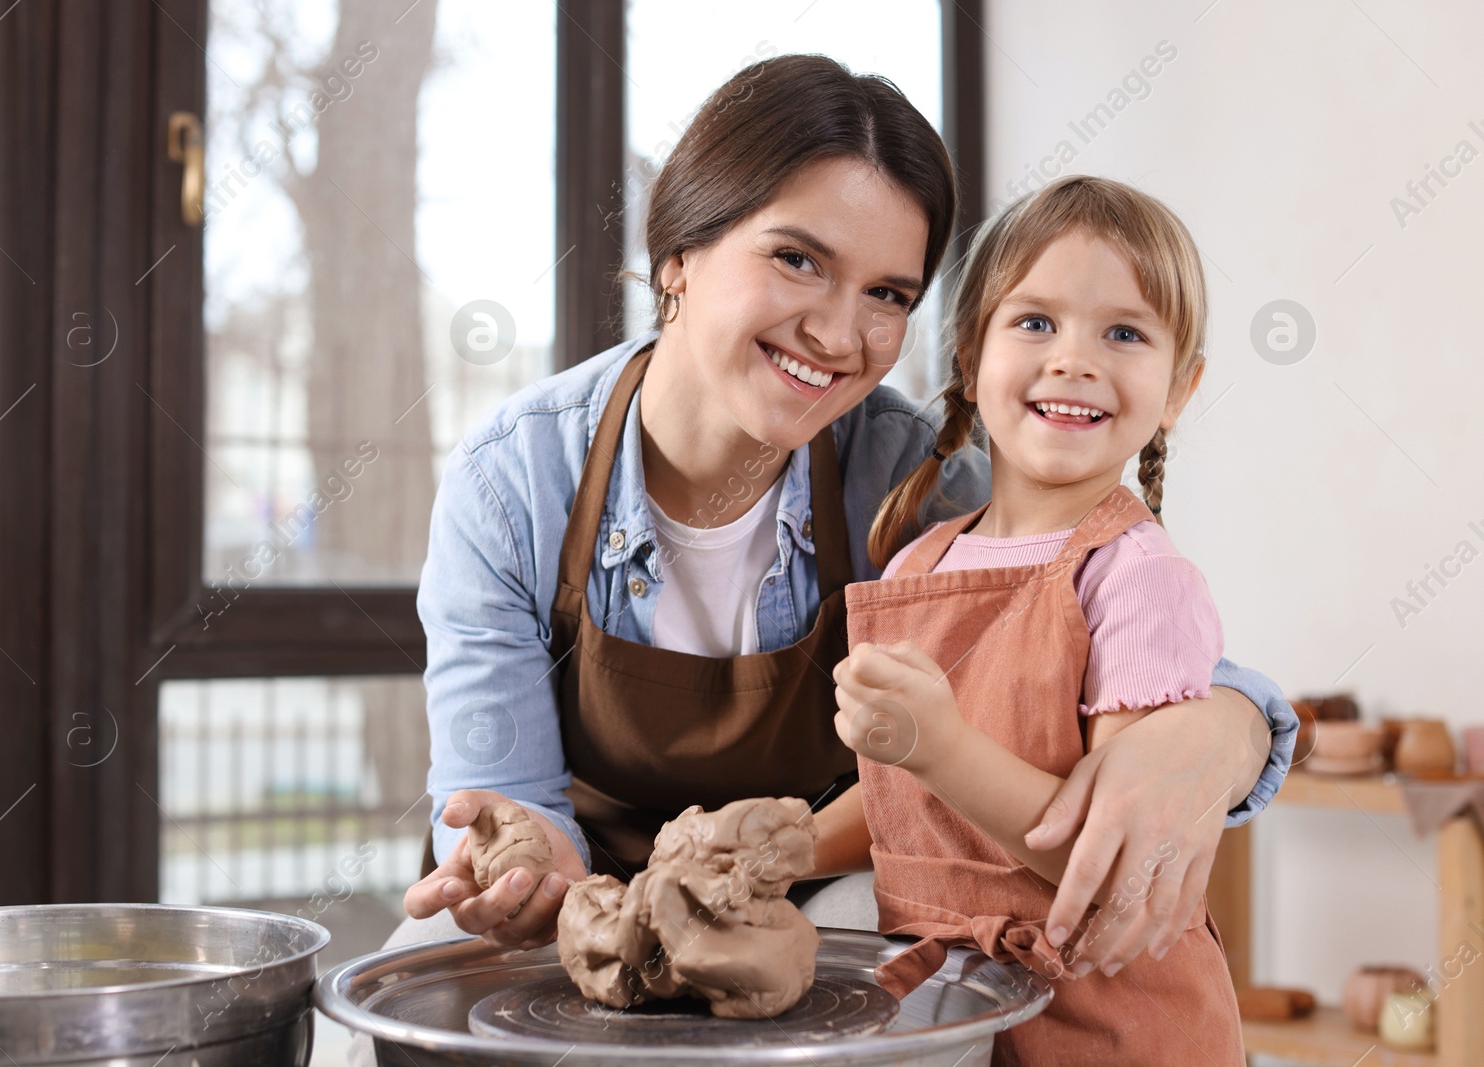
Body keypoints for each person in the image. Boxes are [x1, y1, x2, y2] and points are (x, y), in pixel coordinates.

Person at [386, 55, 1292, 977]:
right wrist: (525, 869)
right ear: (680, 255)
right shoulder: (514, 481)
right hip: (591, 889)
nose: (836, 334)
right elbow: (503, 794)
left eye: (887, 295)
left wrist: (1220, 732)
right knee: (419, 959)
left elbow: (1127, 633)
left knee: (907, 942)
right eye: (796, 260)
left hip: (805, 888)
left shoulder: (911, 473)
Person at [835, 175, 1248, 1063]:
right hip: (948, 1009)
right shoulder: (921, 563)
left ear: (1179, 389)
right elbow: (901, 808)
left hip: (1110, 1025)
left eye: (1125, 333)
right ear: (968, 356)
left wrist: (939, 744)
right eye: (1034, 322)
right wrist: (787, 839)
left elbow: (1112, 869)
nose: (1074, 359)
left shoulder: (1140, 579)